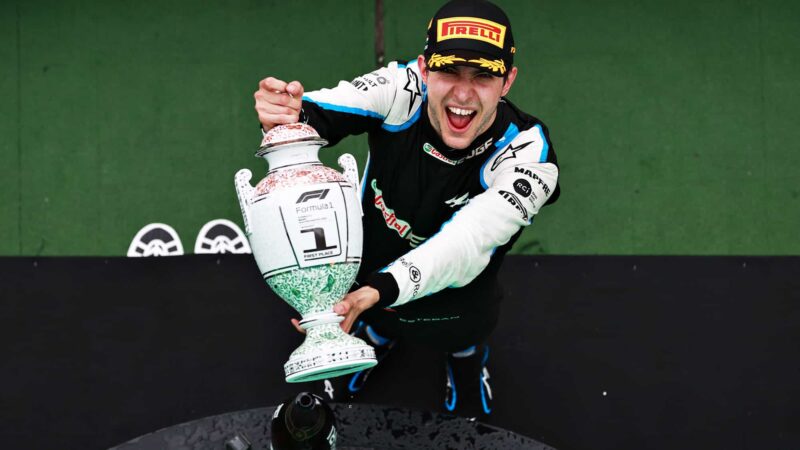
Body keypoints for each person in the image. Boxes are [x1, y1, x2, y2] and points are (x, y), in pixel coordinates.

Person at [254, 0, 560, 419]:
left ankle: (465, 362)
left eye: (484, 76)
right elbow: (316, 109)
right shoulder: (400, 88)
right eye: (449, 70)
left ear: (508, 81)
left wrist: (378, 291)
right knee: (378, 321)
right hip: (371, 269)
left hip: (457, 292)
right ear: (424, 69)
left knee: (464, 334)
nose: (463, 94)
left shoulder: (529, 151)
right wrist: (287, 114)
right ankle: (377, 335)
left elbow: (466, 244)